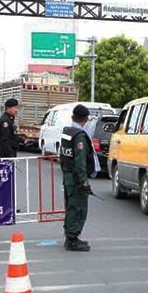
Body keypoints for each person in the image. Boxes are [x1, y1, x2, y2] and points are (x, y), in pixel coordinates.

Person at [59, 104, 100, 252]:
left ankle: (70, 236)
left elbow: (62, 156)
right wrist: (84, 181)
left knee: (71, 206)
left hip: (68, 175)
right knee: (78, 208)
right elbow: (80, 161)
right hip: (76, 178)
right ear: (85, 120)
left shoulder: (67, 132)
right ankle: (72, 239)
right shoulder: (79, 136)